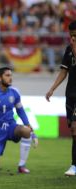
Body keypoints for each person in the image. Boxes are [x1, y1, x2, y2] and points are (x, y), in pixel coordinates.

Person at [0, 67, 37, 172]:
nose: (11, 78)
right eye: (7, 75)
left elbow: (20, 110)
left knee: (26, 131)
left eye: (11, 75)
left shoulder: (15, 92)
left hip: (11, 126)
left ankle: (22, 166)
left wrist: (28, 125)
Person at [46, 21, 76, 176]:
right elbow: (64, 71)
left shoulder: (73, 49)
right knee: (73, 130)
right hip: (70, 94)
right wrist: (52, 88)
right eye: (71, 35)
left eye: (75, 35)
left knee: (75, 128)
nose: (72, 39)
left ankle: (74, 165)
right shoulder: (68, 50)